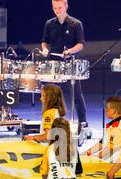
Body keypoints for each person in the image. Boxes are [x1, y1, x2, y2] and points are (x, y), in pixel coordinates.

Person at [23, 85, 67, 179]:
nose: (40, 97)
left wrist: (32, 137)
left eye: (42, 95)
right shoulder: (58, 112)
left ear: (49, 98)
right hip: (59, 151)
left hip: (51, 153)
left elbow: (48, 135)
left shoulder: (48, 113)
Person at [41, 0, 89, 132]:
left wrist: (69, 51)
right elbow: (45, 42)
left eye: (60, 7)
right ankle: (49, 123)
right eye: (55, 8)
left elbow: (80, 44)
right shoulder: (49, 24)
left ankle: (83, 124)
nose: (57, 10)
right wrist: (45, 49)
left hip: (70, 64)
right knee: (51, 96)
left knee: (76, 95)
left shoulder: (76, 24)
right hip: (53, 64)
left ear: (66, 6)